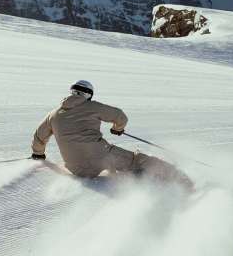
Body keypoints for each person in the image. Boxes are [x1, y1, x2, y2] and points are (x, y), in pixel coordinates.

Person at [30, 80, 193, 190]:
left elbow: (39, 136)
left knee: (115, 162)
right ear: (88, 95)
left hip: (76, 168)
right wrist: (117, 128)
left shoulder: (53, 114)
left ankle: (131, 173)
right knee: (139, 159)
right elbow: (120, 116)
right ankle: (183, 181)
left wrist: (38, 153)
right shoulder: (92, 106)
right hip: (100, 157)